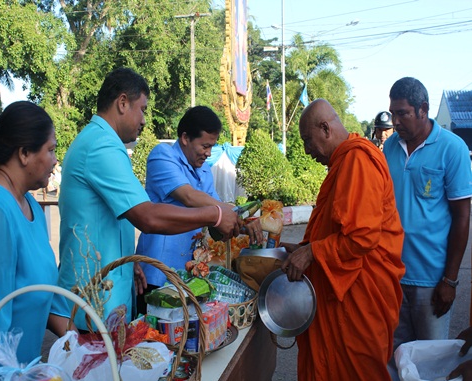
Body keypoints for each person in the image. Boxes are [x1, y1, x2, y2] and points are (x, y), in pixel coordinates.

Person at [57, 68, 241, 329]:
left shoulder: (103, 143)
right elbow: (147, 216)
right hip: (93, 303)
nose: (144, 120)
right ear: (122, 103)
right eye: (142, 109)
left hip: (106, 295)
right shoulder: (102, 145)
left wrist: (128, 261)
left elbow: (106, 220)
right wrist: (216, 215)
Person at [280, 99, 405, 380]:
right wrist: (302, 249)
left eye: (307, 140)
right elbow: (336, 231)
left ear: (325, 128)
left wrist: (312, 253)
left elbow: (362, 237)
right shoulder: (344, 162)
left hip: (358, 300)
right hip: (339, 295)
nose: (306, 150)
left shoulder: (358, 160)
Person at [0, 101, 71, 378]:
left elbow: (41, 289)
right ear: (24, 153)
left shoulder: (29, 204)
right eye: (50, 150)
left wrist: (86, 344)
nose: (54, 161)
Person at [383, 77, 472, 379]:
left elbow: (462, 216)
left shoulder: (452, 148)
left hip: (432, 282)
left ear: (423, 109)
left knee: (431, 363)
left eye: (402, 113)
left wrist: (450, 280)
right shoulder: (390, 149)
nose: (395, 122)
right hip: (392, 274)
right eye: (392, 113)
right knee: (394, 358)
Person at [136, 106, 262, 310]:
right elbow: (189, 197)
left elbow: (218, 209)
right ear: (185, 138)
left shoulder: (203, 170)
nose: (208, 153)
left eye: (212, 146)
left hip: (188, 275)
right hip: (157, 274)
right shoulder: (163, 155)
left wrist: (245, 221)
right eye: (205, 146)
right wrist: (230, 213)